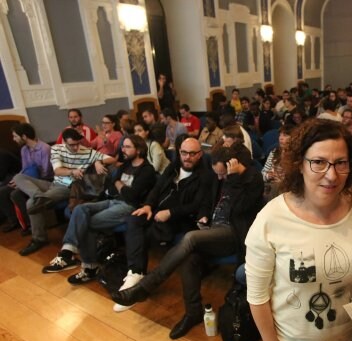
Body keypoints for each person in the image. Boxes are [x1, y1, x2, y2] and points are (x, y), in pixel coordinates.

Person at [246, 118, 352, 341]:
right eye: (318, 162)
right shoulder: (271, 219)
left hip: (348, 338)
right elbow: (257, 297)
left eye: (341, 162)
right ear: (300, 164)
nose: (331, 175)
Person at [111, 142, 264, 339]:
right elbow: (209, 202)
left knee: (189, 237)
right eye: (217, 174)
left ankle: (145, 286)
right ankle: (193, 312)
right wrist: (204, 216)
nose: (219, 178)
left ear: (234, 165)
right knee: (188, 258)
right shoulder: (221, 175)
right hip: (214, 230)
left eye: (222, 174)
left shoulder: (253, 178)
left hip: (235, 234)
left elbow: (241, 209)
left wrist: (233, 178)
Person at [113, 137, 215, 312]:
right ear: (179, 152)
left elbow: (197, 204)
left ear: (200, 155)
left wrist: (170, 213)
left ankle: (139, 285)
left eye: (192, 154)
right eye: (184, 152)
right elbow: (157, 189)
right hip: (156, 212)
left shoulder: (206, 175)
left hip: (179, 219)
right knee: (134, 219)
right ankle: (135, 273)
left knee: (144, 234)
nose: (187, 157)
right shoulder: (173, 167)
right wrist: (148, 205)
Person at [42, 135, 156, 284]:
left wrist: (118, 183)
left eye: (128, 147)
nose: (123, 149)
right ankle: (67, 251)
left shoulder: (147, 170)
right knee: (80, 209)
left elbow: (132, 196)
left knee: (85, 223)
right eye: (123, 146)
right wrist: (117, 184)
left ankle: (89, 267)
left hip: (129, 207)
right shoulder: (125, 165)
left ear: (139, 150)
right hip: (113, 201)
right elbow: (110, 184)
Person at [14, 128, 115, 256]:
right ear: (64, 142)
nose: (75, 147)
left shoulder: (87, 152)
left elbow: (112, 159)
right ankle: (38, 196)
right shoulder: (56, 149)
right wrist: (72, 171)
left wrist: (98, 161)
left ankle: (38, 239)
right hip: (53, 183)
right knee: (18, 177)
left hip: (68, 187)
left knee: (30, 203)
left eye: (77, 143)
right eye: (71, 145)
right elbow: (57, 171)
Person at [0, 123, 53, 234]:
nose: (13, 139)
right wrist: (16, 180)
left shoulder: (44, 148)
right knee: (2, 191)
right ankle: (14, 221)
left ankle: (30, 224)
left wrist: (23, 180)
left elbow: (46, 172)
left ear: (24, 136)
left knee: (15, 194)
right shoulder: (24, 149)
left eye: (15, 136)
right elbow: (24, 169)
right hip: (29, 178)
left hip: (44, 180)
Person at [261, 124, 293, 202]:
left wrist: (282, 179)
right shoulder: (274, 152)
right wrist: (268, 176)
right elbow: (263, 173)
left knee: (277, 187)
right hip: (271, 185)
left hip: (288, 188)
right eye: (280, 135)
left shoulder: (296, 155)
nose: (280, 138)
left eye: (285, 135)